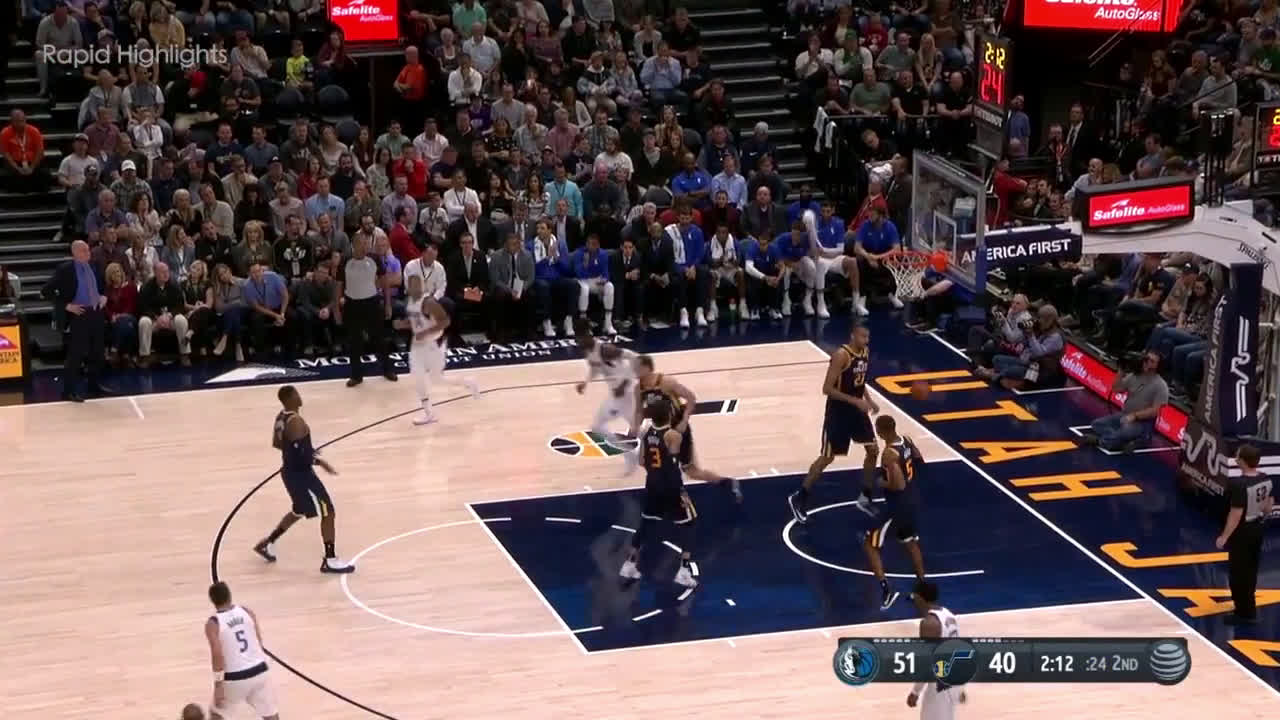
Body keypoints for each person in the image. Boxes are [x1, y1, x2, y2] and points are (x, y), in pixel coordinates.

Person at [253, 385, 355, 573]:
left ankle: (268, 543)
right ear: (290, 399)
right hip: (302, 476)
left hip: (289, 472)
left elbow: (278, 444)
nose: (300, 397)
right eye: (296, 394)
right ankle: (330, 560)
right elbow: (302, 457)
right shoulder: (296, 422)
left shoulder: (281, 417)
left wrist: (301, 450)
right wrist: (320, 462)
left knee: (299, 510)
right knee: (328, 512)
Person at [789, 324, 878, 524]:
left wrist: (869, 400)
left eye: (868, 337)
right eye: (863, 337)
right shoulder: (841, 356)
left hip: (857, 411)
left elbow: (859, 381)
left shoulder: (865, 352)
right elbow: (827, 389)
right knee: (827, 457)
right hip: (838, 413)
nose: (866, 340)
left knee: (873, 450)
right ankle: (799, 497)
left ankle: (865, 496)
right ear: (852, 336)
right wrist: (855, 401)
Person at [632, 354, 741, 500]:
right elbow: (639, 411)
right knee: (654, 466)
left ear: (646, 368)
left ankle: (727, 483)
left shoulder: (666, 382)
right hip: (659, 430)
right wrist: (635, 426)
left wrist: (684, 421)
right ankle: (668, 495)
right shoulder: (638, 389)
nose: (633, 370)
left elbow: (691, 397)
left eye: (636, 367)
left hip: (677, 429)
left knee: (691, 471)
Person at [618, 396, 699, 588]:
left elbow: (641, 461)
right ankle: (683, 571)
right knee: (690, 524)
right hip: (672, 487)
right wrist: (684, 420)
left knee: (646, 524)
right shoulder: (673, 436)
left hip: (653, 485)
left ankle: (629, 564)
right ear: (668, 414)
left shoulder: (647, 433)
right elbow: (679, 456)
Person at [397, 273, 479, 425]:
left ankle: (468, 382)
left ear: (422, 285)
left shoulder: (428, 302)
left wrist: (425, 332)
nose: (413, 287)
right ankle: (429, 413)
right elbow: (416, 320)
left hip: (433, 343)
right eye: (411, 284)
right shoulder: (410, 301)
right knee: (418, 377)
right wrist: (403, 324)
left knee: (437, 379)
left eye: (417, 284)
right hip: (418, 344)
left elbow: (445, 321)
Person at [863, 415, 926, 609]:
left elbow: (898, 485)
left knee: (870, 544)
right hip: (912, 501)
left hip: (897, 507)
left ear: (881, 431)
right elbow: (920, 461)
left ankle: (886, 590)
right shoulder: (906, 440)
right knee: (910, 543)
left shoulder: (889, 454)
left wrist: (882, 483)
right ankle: (922, 588)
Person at [1216, 444, 1275, 624]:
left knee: (1237, 573)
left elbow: (1236, 514)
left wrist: (1224, 537)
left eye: (1238, 456)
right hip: (1257, 528)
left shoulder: (1239, 484)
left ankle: (1244, 613)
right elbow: (1269, 504)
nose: (1235, 458)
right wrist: (1262, 515)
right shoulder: (1265, 478)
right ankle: (1248, 607)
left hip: (1243, 532)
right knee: (1251, 570)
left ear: (1242, 461)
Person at [203, 581, 278, 720]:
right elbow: (258, 641)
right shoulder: (246, 611)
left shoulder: (213, 623)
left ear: (212, 600)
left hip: (235, 678)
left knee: (217, 714)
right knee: (271, 715)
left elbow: (217, 654)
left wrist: (218, 685)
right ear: (229, 595)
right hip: (260, 670)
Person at [49, 240, 110, 401]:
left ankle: (93, 386)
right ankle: (68, 391)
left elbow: (102, 286)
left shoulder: (94, 266)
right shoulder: (65, 270)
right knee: (76, 354)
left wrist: (104, 296)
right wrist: (66, 306)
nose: (88, 253)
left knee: (97, 352)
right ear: (75, 253)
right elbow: (47, 290)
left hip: (95, 312)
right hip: (79, 314)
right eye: (84, 250)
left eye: (88, 250)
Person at [337, 234, 397, 387]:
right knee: (354, 341)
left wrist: (388, 304)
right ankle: (356, 376)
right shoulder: (345, 261)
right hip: (352, 304)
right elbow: (338, 285)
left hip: (371, 303)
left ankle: (387, 370)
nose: (364, 247)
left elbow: (385, 282)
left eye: (366, 243)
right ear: (354, 245)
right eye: (361, 244)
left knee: (379, 338)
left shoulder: (375, 259)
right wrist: (336, 308)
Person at [1080, 350, 1168, 452]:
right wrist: (1121, 371)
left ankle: (1100, 441)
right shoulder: (1134, 375)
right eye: (1146, 359)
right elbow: (1116, 389)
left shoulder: (1161, 385)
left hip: (1142, 423)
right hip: (1125, 414)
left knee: (1124, 432)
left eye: (1152, 361)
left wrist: (1135, 416)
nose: (1146, 362)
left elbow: (1154, 411)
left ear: (1158, 366)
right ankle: (1128, 441)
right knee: (1097, 424)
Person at [907, 581, 966, 720]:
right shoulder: (949, 615)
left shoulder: (929, 623)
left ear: (920, 598)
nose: (914, 602)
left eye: (914, 597)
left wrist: (915, 692)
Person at [575, 322, 637, 439]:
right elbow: (595, 368)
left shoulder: (606, 350)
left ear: (588, 335)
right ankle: (634, 441)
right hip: (616, 393)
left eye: (579, 338)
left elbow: (633, 357)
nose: (578, 341)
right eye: (577, 338)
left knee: (598, 426)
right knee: (633, 425)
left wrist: (623, 385)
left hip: (626, 392)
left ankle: (627, 444)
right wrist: (585, 382)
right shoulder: (587, 351)